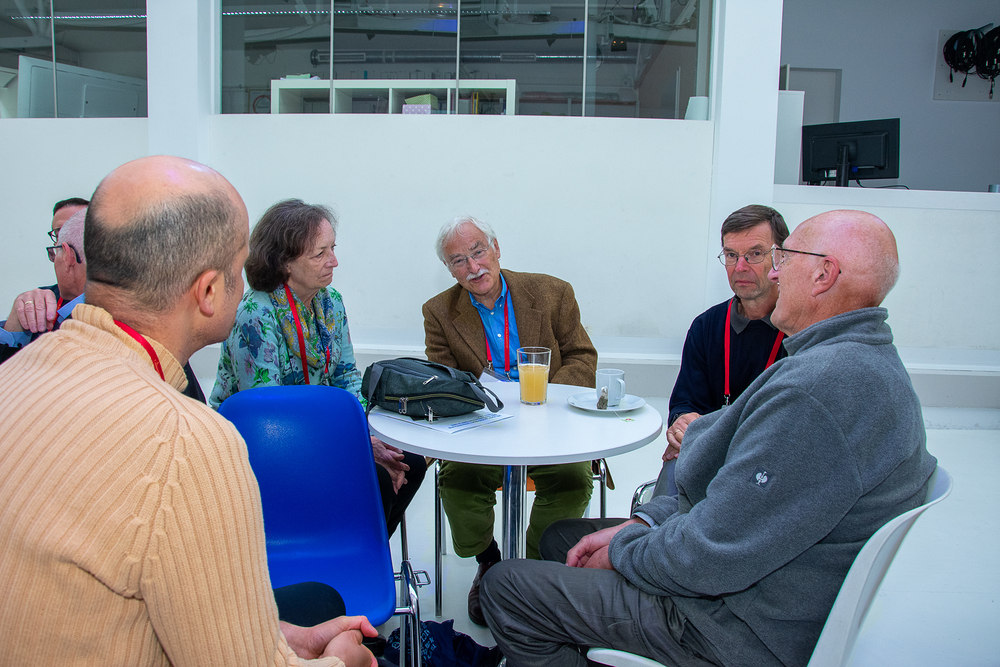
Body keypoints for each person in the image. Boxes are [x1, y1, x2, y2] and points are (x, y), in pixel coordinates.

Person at [479, 209, 938, 667]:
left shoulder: (816, 390)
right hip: (765, 587)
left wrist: (623, 551)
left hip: (731, 627)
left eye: (782, 258)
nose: (773, 272)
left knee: (506, 587)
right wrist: (646, 524)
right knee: (561, 539)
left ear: (823, 274)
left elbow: (710, 554)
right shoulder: (859, 363)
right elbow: (733, 499)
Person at [0, 156, 377, 667]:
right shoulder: (189, 442)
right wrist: (344, 662)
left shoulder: (16, 374)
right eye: (239, 268)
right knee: (328, 605)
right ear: (209, 291)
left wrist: (279, 635)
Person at [210, 198, 425, 537]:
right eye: (319, 254)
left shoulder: (331, 302)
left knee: (410, 464)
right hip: (267, 442)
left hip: (321, 431)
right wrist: (356, 444)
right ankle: (345, 552)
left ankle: (364, 552)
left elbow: (346, 377)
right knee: (377, 481)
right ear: (285, 263)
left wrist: (367, 434)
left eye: (332, 248)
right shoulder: (255, 314)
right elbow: (268, 413)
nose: (334, 261)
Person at [422, 215, 598, 626]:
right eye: (459, 260)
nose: (473, 267)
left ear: (496, 248)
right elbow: (445, 382)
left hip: (548, 427)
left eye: (478, 251)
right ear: (449, 268)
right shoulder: (439, 312)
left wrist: (547, 401)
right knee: (457, 482)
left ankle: (533, 568)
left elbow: (582, 357)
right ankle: (490, 561)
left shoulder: (553, 292)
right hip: (485, 431)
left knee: (573, 481)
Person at [659, 205, 789, 494]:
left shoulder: (800, 328)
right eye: (731, 255)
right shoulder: (707, 326)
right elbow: (685, 403)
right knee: (675, 466)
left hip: (774, 465)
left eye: (755, 254)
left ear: (781, 257)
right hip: (712, 453)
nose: (740, 267)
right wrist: (682, 424)